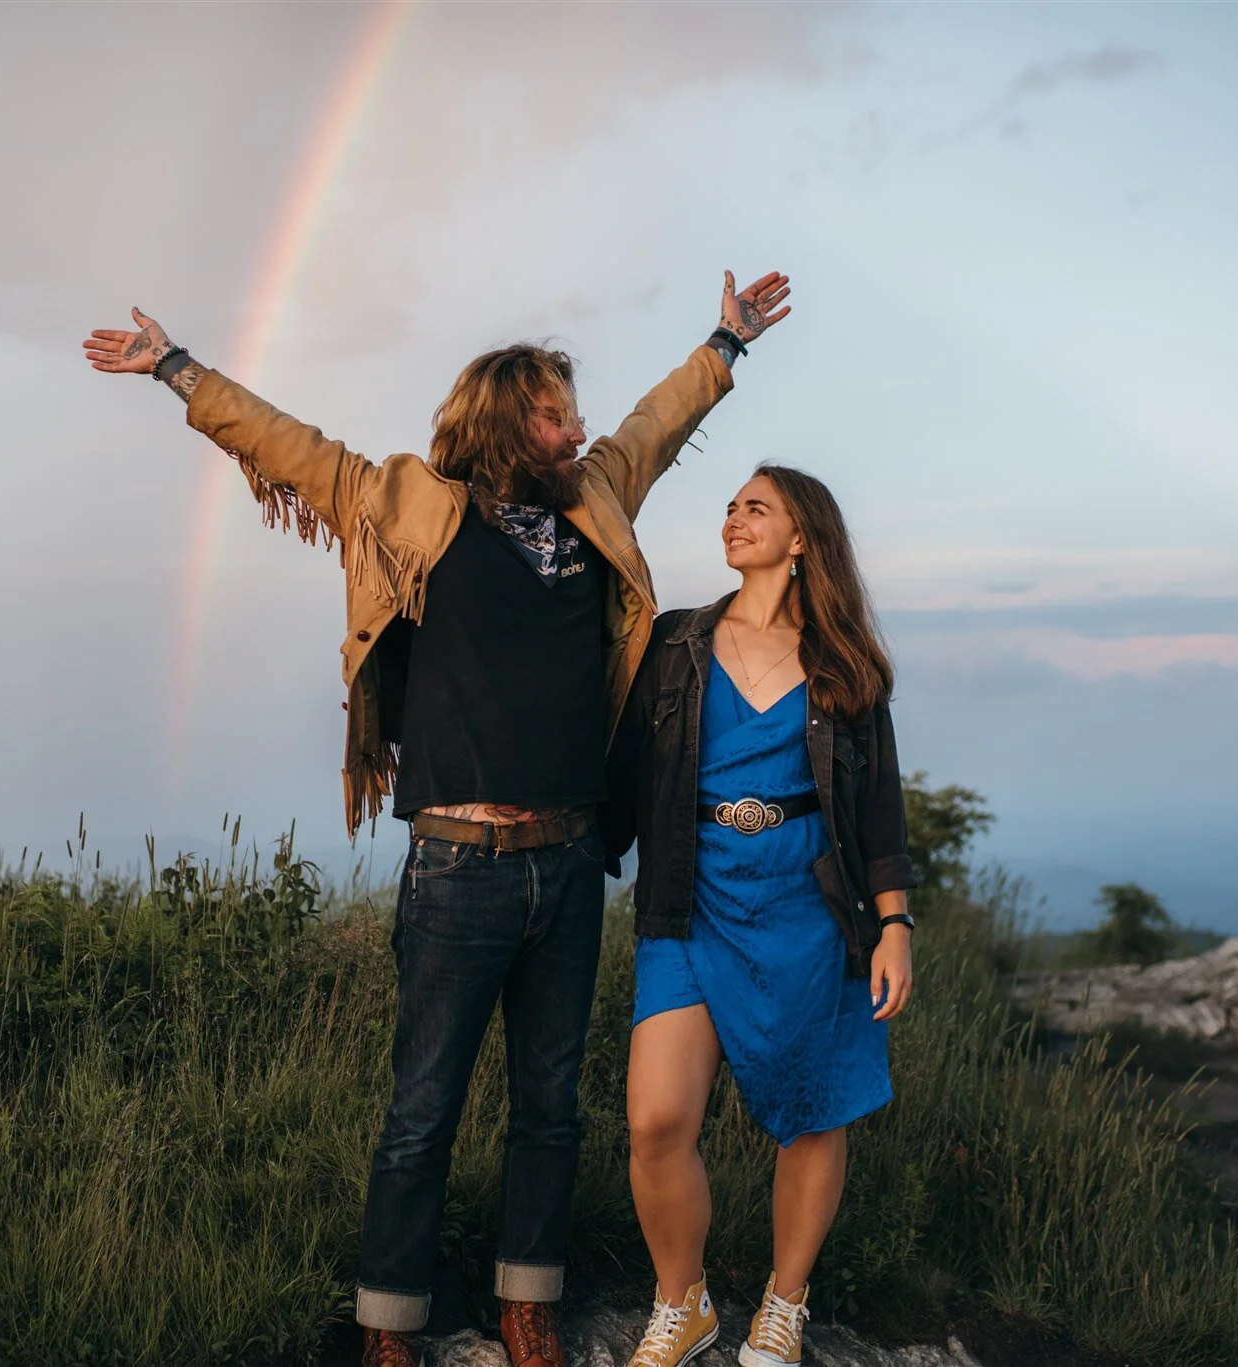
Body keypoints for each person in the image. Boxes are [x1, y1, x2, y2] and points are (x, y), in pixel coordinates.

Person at [81, 272, 792, 1367]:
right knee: (422, 1110)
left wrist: (723, 341)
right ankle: (390, 1320)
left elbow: (656, 421)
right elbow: (289, 446)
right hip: (456, 864)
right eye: (558, 411)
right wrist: (177, 368)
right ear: (513, 420)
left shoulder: (595, 497)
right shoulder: (411, 503)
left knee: (548, 1107)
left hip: (565, 862)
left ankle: (526, 1305)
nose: (581, 427)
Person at [603, 464, 917, 1367]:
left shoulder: (845, 663)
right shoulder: (675, 645)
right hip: (688, 899)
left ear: (802, 537)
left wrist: (894, 924)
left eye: (757, 508)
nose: (734, 518)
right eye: (732, 506)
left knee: (814, 1115)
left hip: (807, 908)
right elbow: (618, 766)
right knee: (657, 1119)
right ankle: (684, 1301)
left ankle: (785, 1302)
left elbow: (879, 810)